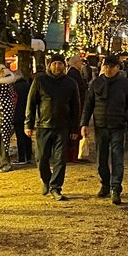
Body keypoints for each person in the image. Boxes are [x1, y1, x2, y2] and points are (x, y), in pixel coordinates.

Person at [81, 55, 128, 204]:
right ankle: (105, 183)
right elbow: (88, 105)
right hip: (101, 126)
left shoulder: (125, 84)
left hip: (118, 126)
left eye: (111, 67)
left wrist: (125, 117)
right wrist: (84, 124)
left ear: (117, 68)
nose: (108, 69)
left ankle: (115, 187)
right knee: (101, 160)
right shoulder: (96, 83)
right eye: (106, 66)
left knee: (117, 159)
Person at [26, 56, 81, 200]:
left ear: (64, 66)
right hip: (43, 125)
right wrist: (28, 124)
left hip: (63, 127)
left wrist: (75, 128)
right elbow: (31, 103)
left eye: (60, 64)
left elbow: (76, 107)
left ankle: (56, 187)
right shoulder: (40, 81)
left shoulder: (70, 83)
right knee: (42, 157)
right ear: (50, 65)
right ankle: (46, 180)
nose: (57, 66)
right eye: (54, 63)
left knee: (60, 159)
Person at [0, 63, 19, 170]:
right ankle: (1, 162)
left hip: (3, 115)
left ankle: (6, 163)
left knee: (2, 138)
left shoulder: (2, 84)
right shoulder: (2, 84)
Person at [66, 55, 90, 163]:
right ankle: (72, 155)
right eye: (80, 62)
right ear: (76, 63)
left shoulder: (73, 73)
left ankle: (73, 154)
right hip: (76, 105)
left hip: (77, 104)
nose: (81, 64)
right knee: (75, 129)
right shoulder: (73, 74)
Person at [13, 64, 33, 165]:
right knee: (27, 137)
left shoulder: (14, 87)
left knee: (20, 136)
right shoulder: (28, 85)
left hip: (17, 114)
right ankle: (29, 156)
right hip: (27, 114)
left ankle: (22, 157)